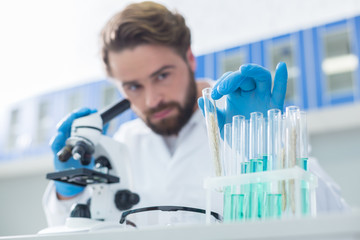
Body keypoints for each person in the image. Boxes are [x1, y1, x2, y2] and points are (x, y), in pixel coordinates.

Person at [42, 1, 348, 227]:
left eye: (162, 76)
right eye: (133, 86)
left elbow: (335, 221)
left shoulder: (248, 122)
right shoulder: (122, 148)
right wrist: (69, 194)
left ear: (189, 57)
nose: (152, 99)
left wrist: (268, 148)